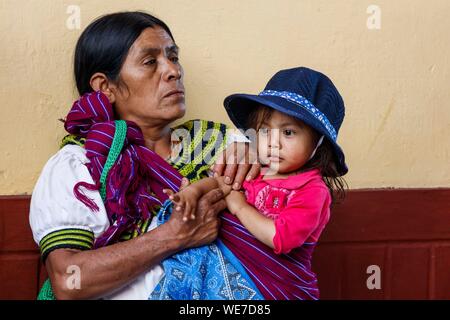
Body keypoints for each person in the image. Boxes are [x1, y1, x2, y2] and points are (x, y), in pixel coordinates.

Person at [29, 11, 260, 300]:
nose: (173, 71)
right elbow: (68, 280)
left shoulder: (217, 144)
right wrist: (175, 235)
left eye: (173, 57)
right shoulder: (78, 166)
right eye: (150, 62)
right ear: (105, 87)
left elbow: (297, 179)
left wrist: (256, 151)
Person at [149, 67, 348, 300]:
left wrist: (239, 206)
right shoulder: (256, 169)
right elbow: (220, 184)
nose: (273, 143)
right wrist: (191, 193)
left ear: (318, 143)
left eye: (289, 132)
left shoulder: (312, 191)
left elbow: (280, 238)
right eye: (264, 131)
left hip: (278, 290)